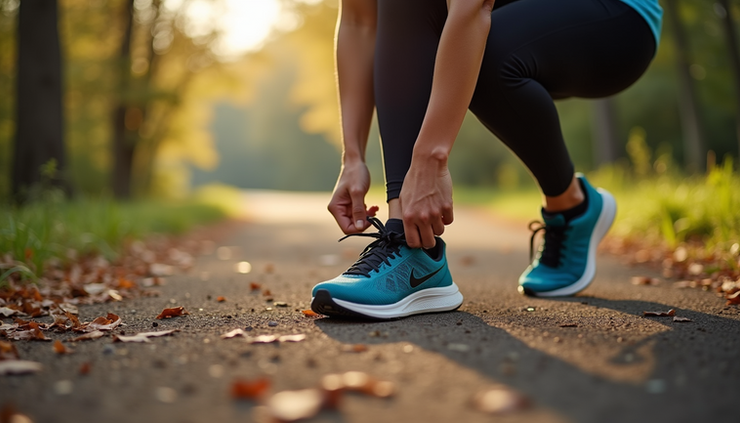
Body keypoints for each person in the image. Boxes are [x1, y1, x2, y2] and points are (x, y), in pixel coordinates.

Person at [310, 0, 663, 319]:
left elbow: (471, 8)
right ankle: (414, 248)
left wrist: (430, 160)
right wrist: (353, 157)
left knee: (484, 51)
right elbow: (359, 22)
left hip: (616, 17)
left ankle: (564, 212)